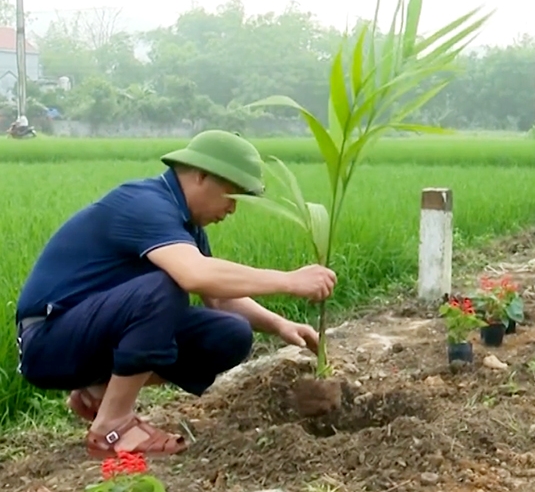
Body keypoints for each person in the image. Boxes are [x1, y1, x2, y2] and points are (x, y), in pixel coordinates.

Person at [14, 130, 338, 459]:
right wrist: (289, 280)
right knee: (166, 285)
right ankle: (112, 426)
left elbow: (220, 298)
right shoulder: (145, 204)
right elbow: (194, 275)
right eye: (233, 195)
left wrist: (281, 325)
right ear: (201, 176)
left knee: (231, 333)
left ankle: (99, 391)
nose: (232, 209)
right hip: (48, 339)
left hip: (89, 332)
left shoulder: (187, 226)